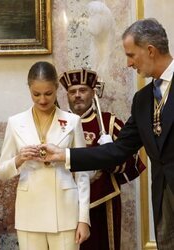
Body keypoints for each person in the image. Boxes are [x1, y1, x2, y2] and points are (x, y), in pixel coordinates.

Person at [38, 18, 174, 250]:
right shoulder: (142, 100)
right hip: (164, 198)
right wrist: (65, 155)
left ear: (150, 50)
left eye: (131, 55)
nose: (128, 63)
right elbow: (118, 150)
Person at [0, 61, 91, 250]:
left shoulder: (72, 121)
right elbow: (2, 172)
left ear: (57, 88)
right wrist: (20, 158)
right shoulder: (15, 122)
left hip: (65, 211)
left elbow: (83, 174)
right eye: (36, 94)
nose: (42, 100)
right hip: (29, 211)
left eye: (48, 93)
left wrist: (83, 219)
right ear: (29, 89)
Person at [59, 68, 145, 250]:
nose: (77, 96)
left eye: (83, 90)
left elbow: (132, 162)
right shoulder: (58, 124)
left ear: (93, 92)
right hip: (65, 203)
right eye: (72, 92)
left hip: (103, 201)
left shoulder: (109, 123)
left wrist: (110, 155)